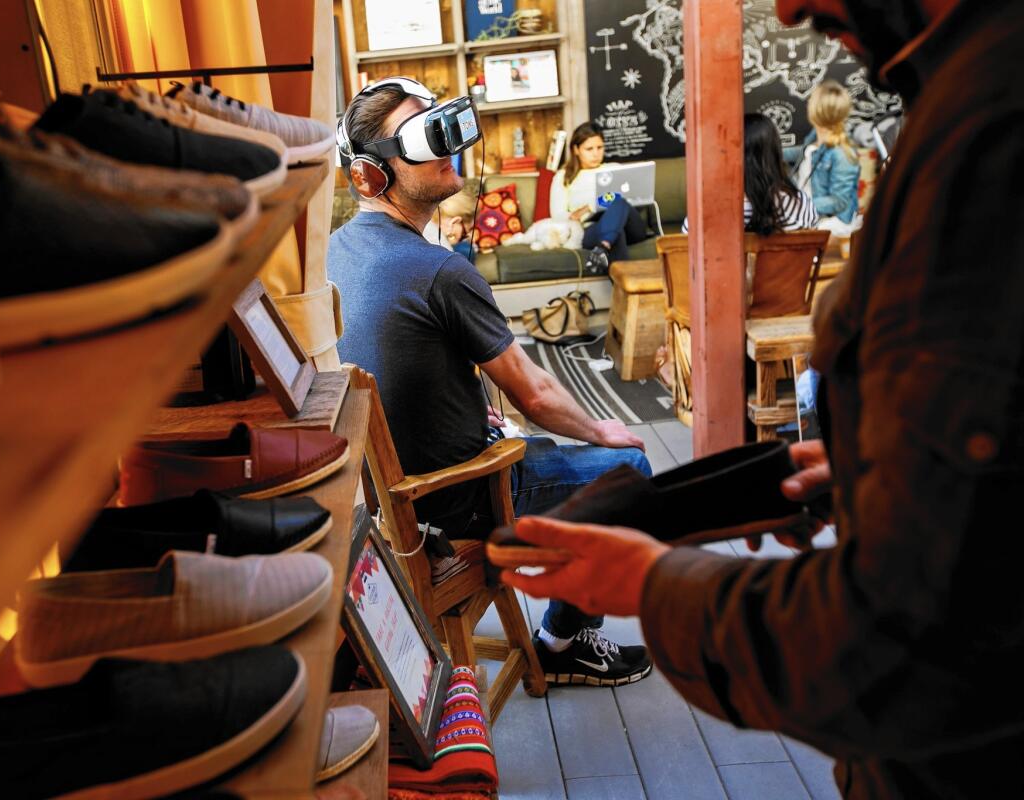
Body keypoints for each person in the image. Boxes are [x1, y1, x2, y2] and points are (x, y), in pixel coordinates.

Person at [501, 0, 1024, 796]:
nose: (785, 8)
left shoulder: (988, 132)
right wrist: (875, 469)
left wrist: (651, 588)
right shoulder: (965, 93)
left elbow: (907, 640)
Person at [331, 78, 656, 688]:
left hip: (380, 506)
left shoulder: (332, 253)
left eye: (443, 130)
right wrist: (605, 430)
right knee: (628, 473)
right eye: (426, 140)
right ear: (373, 175)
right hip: (458, 499)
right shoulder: (438, 271)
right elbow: (535, 394)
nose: (448, 147)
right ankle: (562, 642)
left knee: (547, 448)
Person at [682, 113, 819, 234]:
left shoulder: (707, 213)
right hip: (790, 264)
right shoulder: (802, 205)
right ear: (776, 153)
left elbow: (686, 251)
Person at [549, 122, 650, 273]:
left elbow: (636, 201)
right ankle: (605, 247)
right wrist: (577, 216)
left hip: (630, 226)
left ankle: (602, 248)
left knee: (618, 201)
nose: (596, 154)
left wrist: (590, 207)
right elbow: (557, 215)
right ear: (576, 150)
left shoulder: (615, 169)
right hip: (590, 229)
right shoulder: (563, 177)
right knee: (616, 234)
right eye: (589, 149)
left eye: (600, 148)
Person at [784, 79, 862, 237]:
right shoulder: (814, 139)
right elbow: (805, 153)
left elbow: (840, 201)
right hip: (808, 214)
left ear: (816, 111)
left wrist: (800, 206)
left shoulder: (842, 154)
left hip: (830, 223)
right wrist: (768, 150)